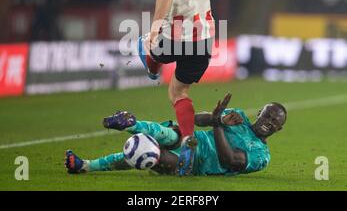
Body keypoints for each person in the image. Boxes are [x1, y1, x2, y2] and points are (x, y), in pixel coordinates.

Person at [137, 0, 216, 176]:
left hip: (174, 35)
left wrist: (155, 27)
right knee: (179, 91)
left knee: (144, 42)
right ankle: (187, 138)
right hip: (204, 36)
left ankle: (152, 67)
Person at [65, 93, 287, 176]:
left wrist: (218, 125)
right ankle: (130, 123)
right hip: (191, 140)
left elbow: (229, 160)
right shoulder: (237, 117)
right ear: (260, 113)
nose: (269, 122)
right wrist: (214, 118)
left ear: (279, 129)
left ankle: (85, 165)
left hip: (195, 164)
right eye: (267, 116)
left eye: (274, 122)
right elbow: (195, 120)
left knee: (149, 153)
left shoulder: (261, 156)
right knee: (170, 133)